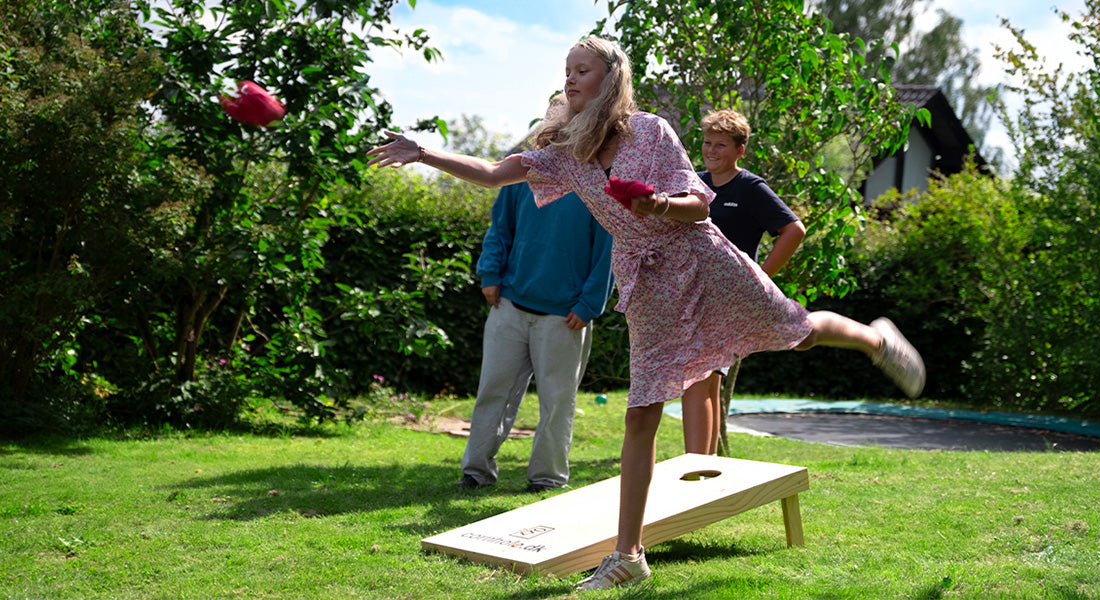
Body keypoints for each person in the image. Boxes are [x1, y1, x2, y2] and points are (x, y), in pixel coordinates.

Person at [367, 36, 925, 591]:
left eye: (582, 70)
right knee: (641, 412)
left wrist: (655, 203)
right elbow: (492, 172)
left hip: (703, 260)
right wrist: (422, 153)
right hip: (649, 281)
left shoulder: (652, 131)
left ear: (610, 79)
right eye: (567, 70)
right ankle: (628, 554)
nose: (570, 79)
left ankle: (875, 340)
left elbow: (696, 203)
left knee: (797, 331)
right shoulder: (564, 153)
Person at [456, 180, 614, 493]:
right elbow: (500, 227)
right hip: (509, 304)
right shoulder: (519, 178)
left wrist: (589, 304)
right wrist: (490, 273)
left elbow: (608, 250)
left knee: (557, 401)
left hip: (566, 315)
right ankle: (476, 472)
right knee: (492, 390)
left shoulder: (598, 185)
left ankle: (548, 478)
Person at [682, 109, 808, 455]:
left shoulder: (750, 187)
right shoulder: (695, 183)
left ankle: (697, 469)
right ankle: (704, 468)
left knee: (700, 379)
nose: (711, 150)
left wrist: (761, 277)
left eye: (721, 144)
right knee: (706, 383)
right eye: (707, 142)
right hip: (695, 296)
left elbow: (794, 230)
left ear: (740, 150)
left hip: (729, 300)